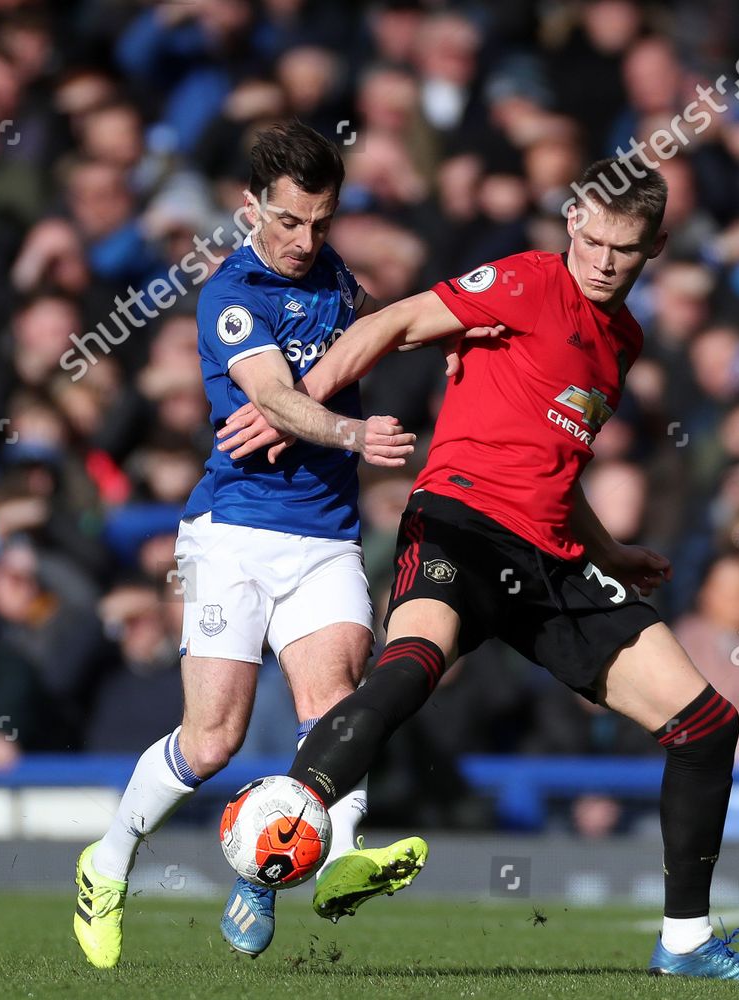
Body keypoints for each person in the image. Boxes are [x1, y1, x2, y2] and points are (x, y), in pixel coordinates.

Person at [219, 157, 739, 980]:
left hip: (551, 556)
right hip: (462, 523)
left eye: (621, 249)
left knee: (707, 725)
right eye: (588, 238)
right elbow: (395, 323)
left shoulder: (622, 340)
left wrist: (611, 552)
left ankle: (687, 942)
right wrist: (297, 410)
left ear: (655, 245)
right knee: (408, 672)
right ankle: (266, 853)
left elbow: (559, 460)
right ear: (570, 224)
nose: (599, 261)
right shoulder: (525, 281)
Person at [73, 122, 480, 968]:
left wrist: (464, 339)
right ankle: (106, 862)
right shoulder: (230, 292)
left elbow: (382, 326)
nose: (305, 240)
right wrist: (353, 434)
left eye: (322, 222)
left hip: (327, 535)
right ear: (250, 207)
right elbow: (276, 399)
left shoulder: (334, 275)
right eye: (290, 221)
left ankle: (328, 862)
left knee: (336, 710)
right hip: (235, 534)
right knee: (213, 740)